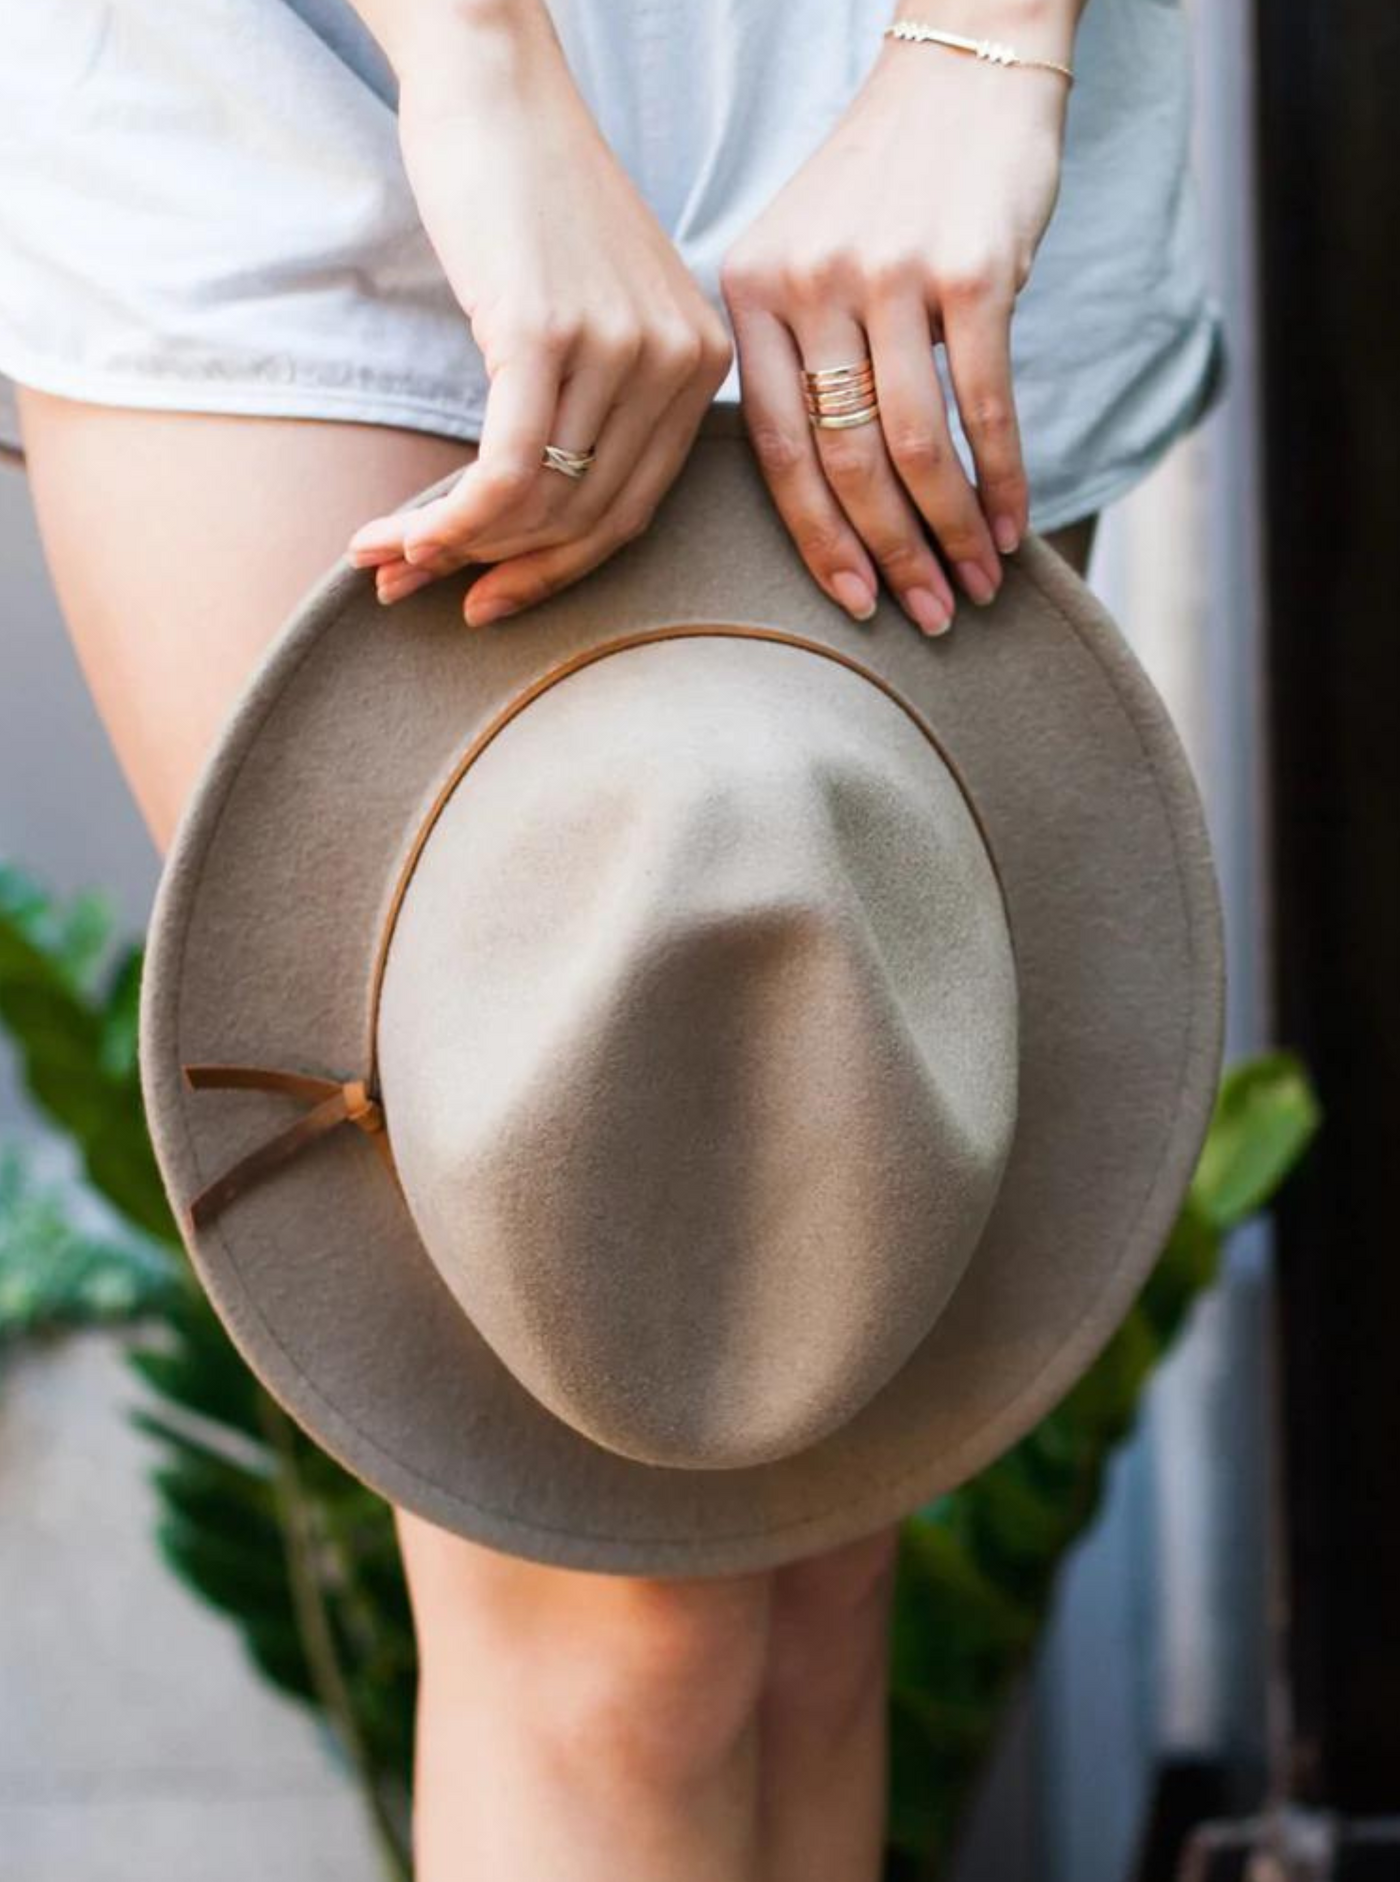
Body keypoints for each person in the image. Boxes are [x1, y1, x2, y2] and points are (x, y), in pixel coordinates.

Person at [0, 0, 1224, 1875]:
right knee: (604, 1608)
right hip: (299, 90)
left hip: (909, 123)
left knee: (817, 1556)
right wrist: (483, 69)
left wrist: (976, 58)